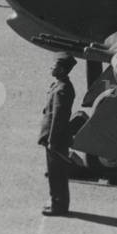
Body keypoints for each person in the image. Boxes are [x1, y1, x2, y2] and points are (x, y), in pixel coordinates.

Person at [38, 54, 77, 217]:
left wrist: (52, 141)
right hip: (54, 137)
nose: (51, 68)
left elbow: (58, 118)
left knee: (57, 175)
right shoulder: (59, 85)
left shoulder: (62, 89)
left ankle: (59, 207)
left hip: (56, 138)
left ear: (61, 69)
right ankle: (57, 202)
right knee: (55, 173)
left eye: (54, 66)